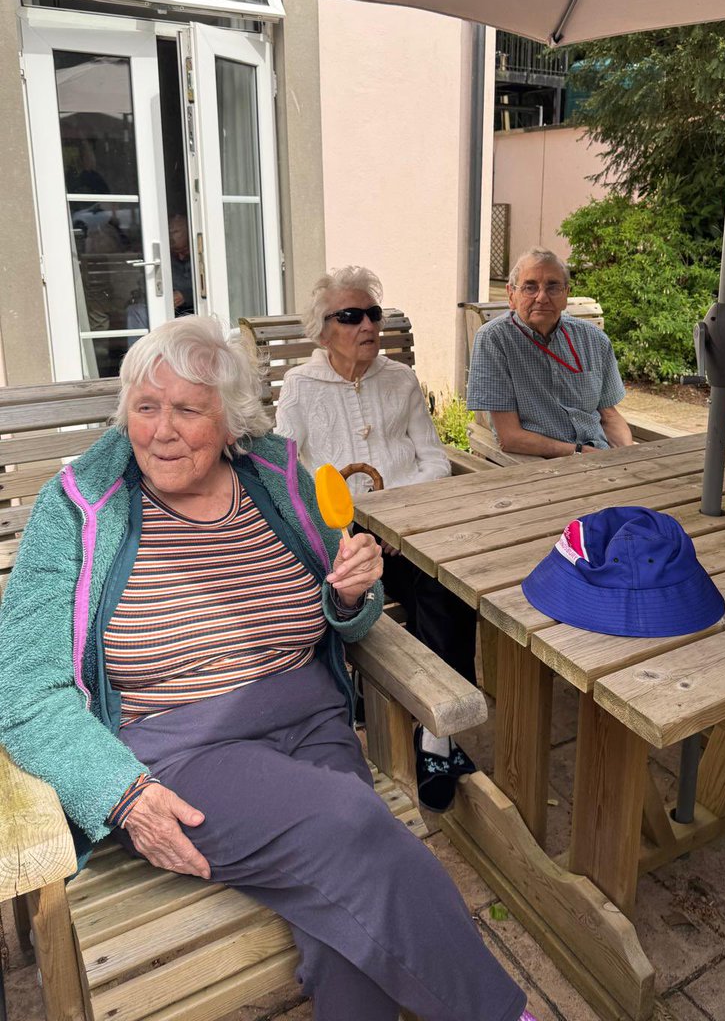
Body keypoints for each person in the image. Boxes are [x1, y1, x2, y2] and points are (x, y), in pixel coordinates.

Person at [0, 316, 533, 1021]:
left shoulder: (277, 477)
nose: (161, 429)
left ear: (231, 422)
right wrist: (119, 793)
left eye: (188, 409)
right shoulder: (77, 508)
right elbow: (22, 689)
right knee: (356, 825)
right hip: (180, 751)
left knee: (348, 929)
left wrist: (350, 595)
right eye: (145, 405)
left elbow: (344, 609)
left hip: (311, 720)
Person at [275, 267, 479, 814]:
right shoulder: (300, 386)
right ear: (323, 330)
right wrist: (350, 522)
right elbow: (286, 473)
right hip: (339, 531)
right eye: (351, 316)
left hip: (410, 523)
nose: (367, 324)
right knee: (358, 594)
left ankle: (436, 738)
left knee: (450, 590)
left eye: (373, 314)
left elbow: (435, 459)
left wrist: (397, 511)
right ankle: (375, 705)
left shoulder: (401, 379)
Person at [467, 246, 633, 457]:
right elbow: (509, 437)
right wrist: (579, 452)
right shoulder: (495, 340)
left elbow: (609, 416)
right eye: (530, 287)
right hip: (540, 463)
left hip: (599, 457)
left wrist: (628, 457)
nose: (542, 297)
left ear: (566, 294)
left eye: (553, 287)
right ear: (511, 295)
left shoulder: (594, 340)